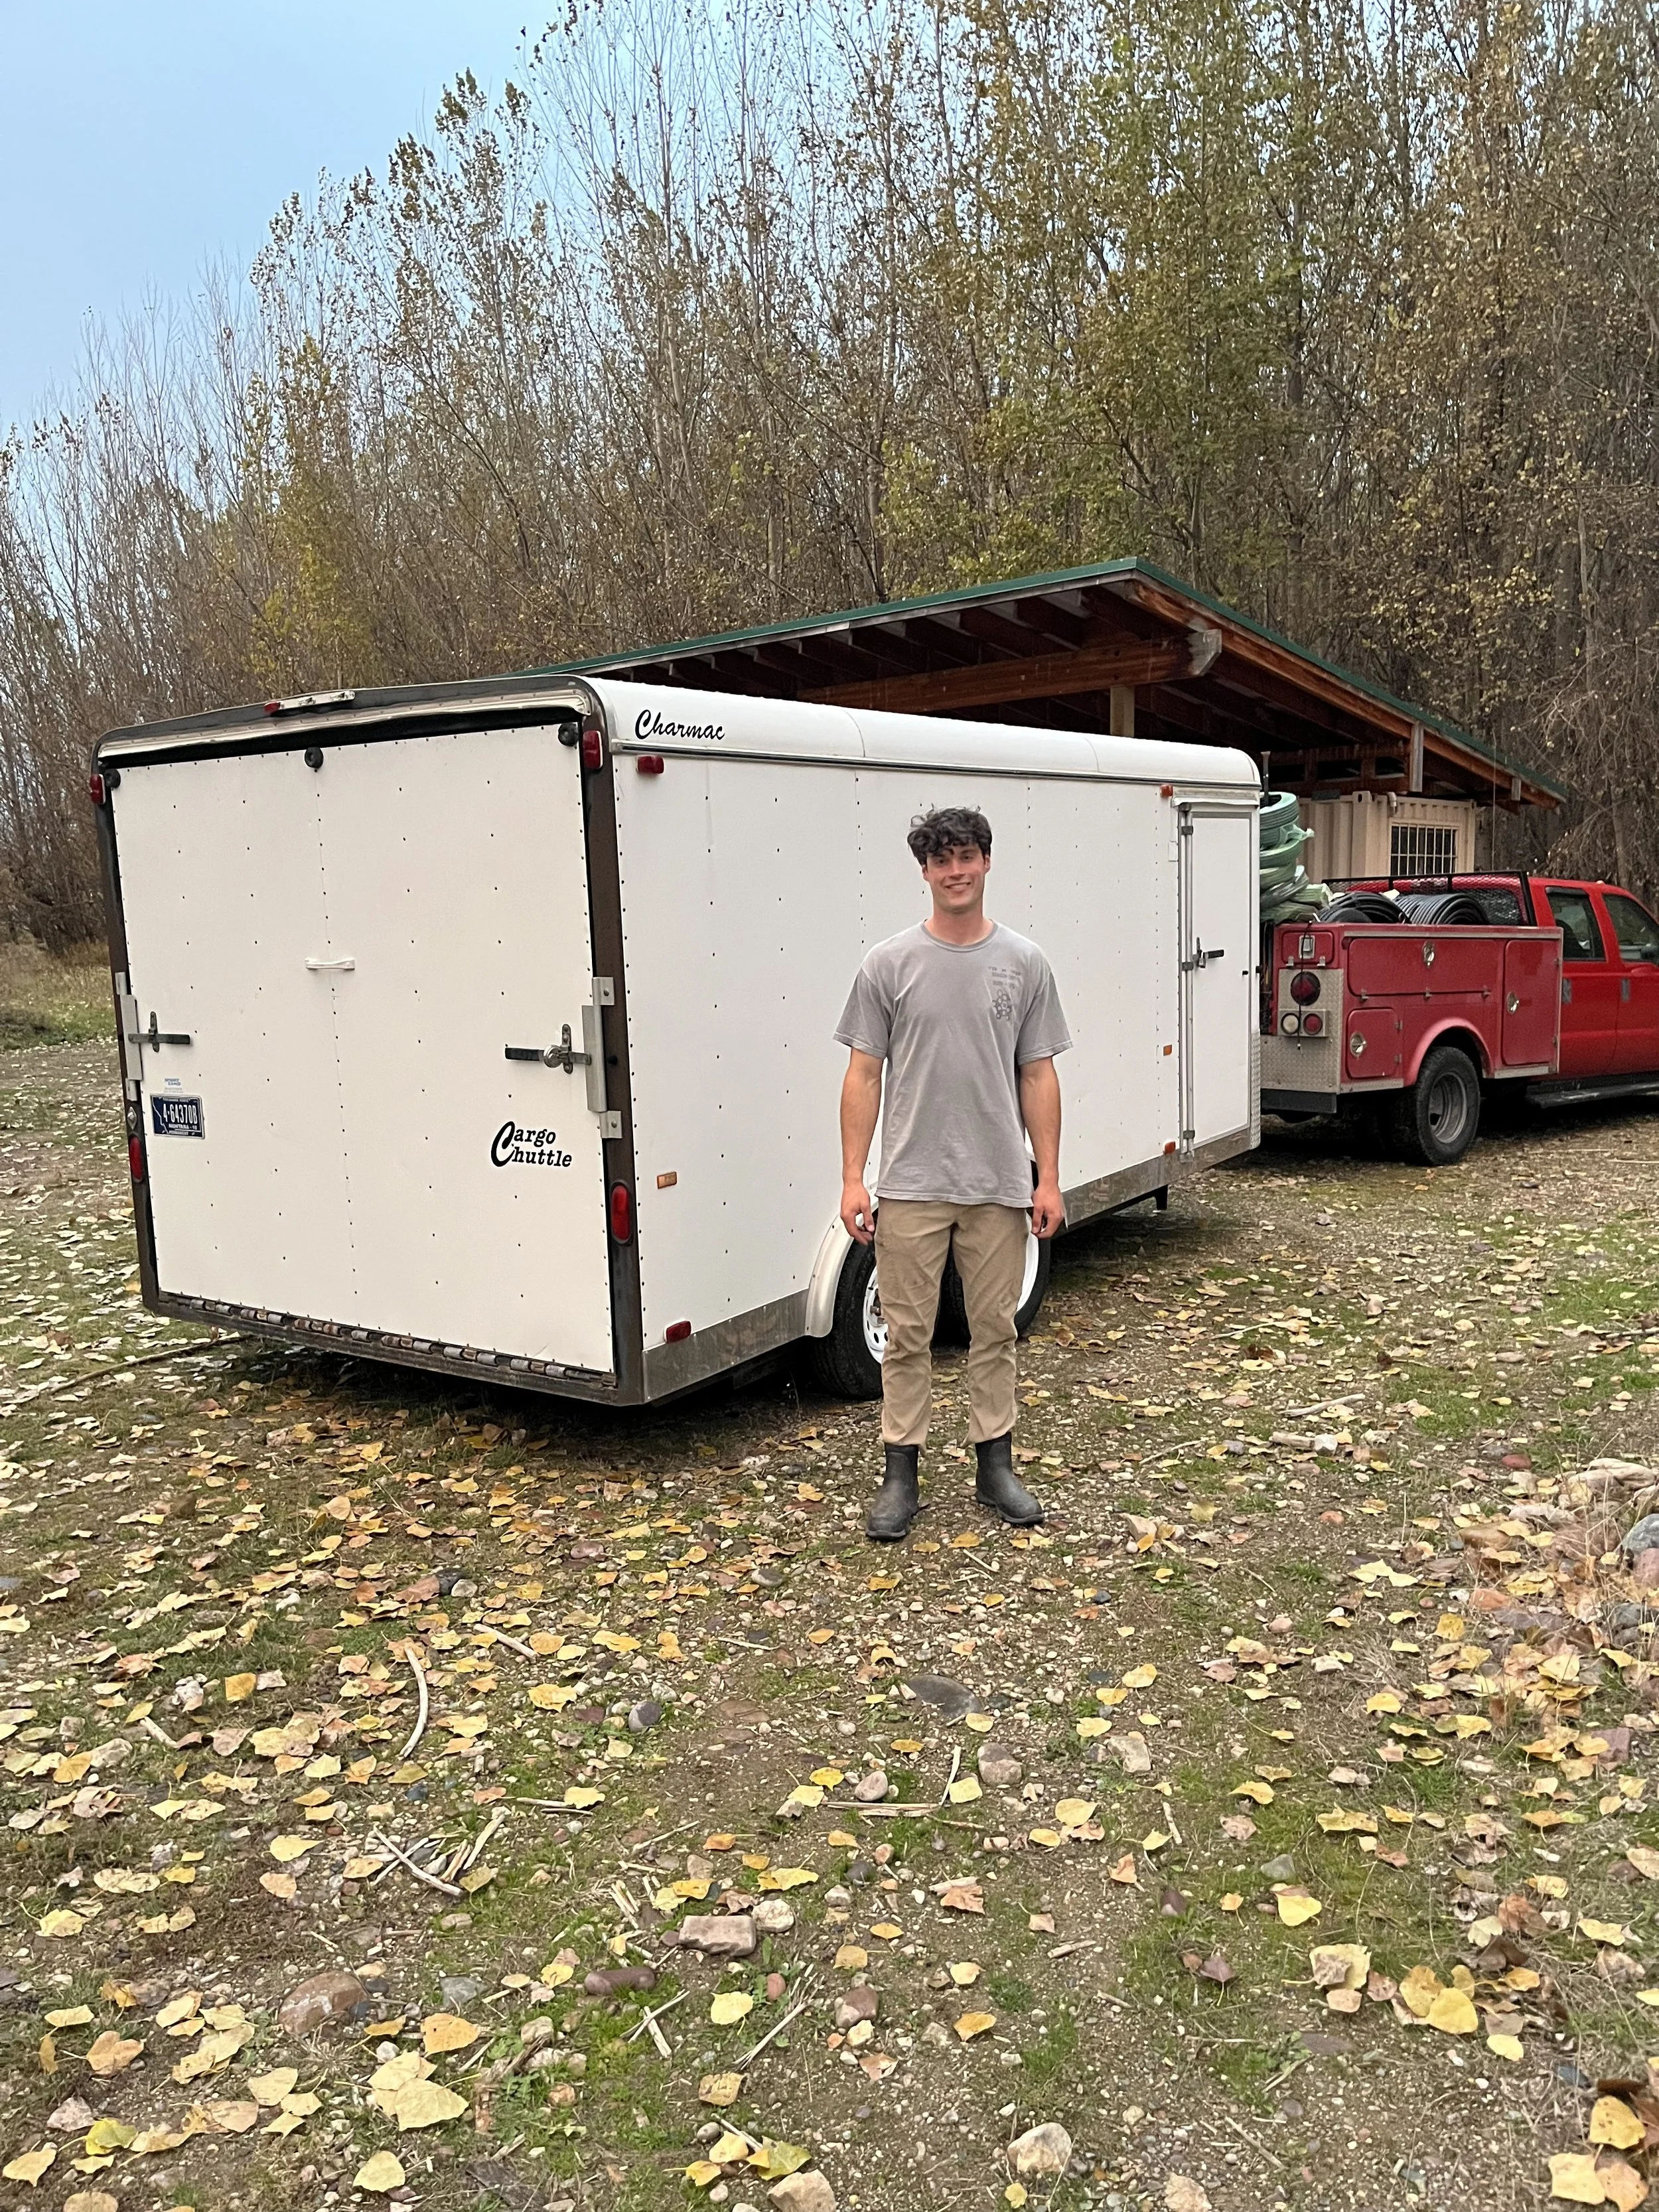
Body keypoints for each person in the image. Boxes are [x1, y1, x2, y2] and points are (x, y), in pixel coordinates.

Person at [834, 805, 1070, 1542]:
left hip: (998, 1182)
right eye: (941, 861)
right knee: (906, 1334)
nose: (955, 871)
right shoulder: (887, 964)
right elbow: (862, 1075)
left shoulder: (1024, 963)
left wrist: (1049, 1176)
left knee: (993, 1329)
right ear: (925, 873)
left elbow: (1038, 1073)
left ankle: (994, 1466)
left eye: (966, 856)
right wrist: (852, 1178)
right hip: (910, 1183)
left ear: (987, 862)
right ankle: (900, 1475)